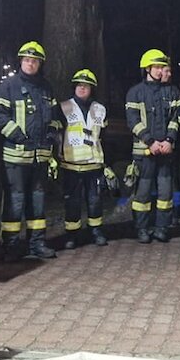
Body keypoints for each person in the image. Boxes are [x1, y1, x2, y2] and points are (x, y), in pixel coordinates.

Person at [0, 41, 57, 260]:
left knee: (37, 200)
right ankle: (10, 245)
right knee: (15, 200)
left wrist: (51, 134)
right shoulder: (8, 86)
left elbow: (55, 118)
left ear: (40, 64)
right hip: (16, 155)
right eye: (27, 60)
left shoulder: (46, 87)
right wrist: (18, 135)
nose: (31, 64)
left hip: (40, 156)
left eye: (35, 61)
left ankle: (36, 243)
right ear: (21, 61)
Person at [125, 49, 180, 243]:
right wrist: (150, 141)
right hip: (144, 152)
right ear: (147, 68)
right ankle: (142, 229)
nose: (160, 71)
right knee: (142, 193)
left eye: (162, 67)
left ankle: (162, 228)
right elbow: (132, 121)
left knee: (165, 193)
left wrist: (169, 140)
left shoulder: (172, 91)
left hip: (165, 152)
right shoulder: (135, 92)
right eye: (157, 67)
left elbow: (178, 117)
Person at [58, 68, 113, 249]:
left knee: (95, 200)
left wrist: (108, 163)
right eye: (79, 86)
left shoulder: (100, 109)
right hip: (71, 164)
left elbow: (104, 136)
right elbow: (58, 134)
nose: (82, 89)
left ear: (92, 89)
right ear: (74, 87)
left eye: (86, 86)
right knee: (72, 201)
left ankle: (95, 231)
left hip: (94, 164)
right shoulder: (64, 107)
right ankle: (72, 235)